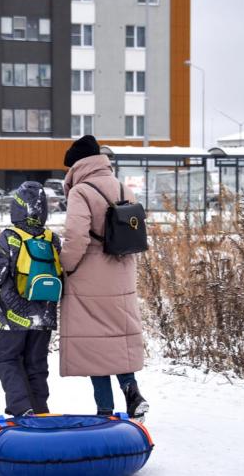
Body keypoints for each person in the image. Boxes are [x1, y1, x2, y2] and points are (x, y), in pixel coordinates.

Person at [58, 135, 149, 421]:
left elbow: (75, 238)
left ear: (76, 165)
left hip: (90, 277)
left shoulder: (81, 191)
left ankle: (105, 412)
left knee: (94, 343)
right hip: (123, 273)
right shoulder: (123, 186)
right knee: (117, 338)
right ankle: (131, 392)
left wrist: (65, 267)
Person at [0, 181, 62, 417]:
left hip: (13, 316)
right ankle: (40, 412)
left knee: (6, 360)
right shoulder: (53, 239)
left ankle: (22, 410)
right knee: (36, 366)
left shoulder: (10, 237)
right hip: (45, 317)